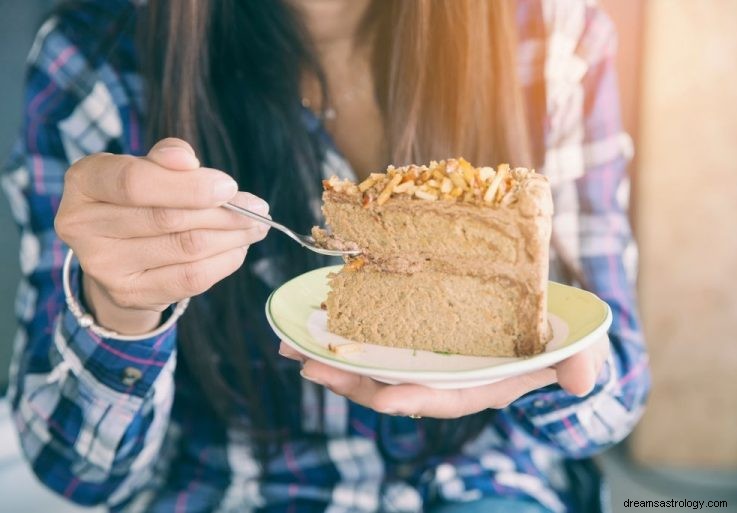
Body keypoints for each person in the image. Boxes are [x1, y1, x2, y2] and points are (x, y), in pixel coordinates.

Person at [2, 0, 649, 511]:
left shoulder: (551, 32)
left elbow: (617, 397)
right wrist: (118, 308)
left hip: (492, 478)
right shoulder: (95, 58)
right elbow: (79, 473)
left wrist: (557, 371)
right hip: (234, 485)